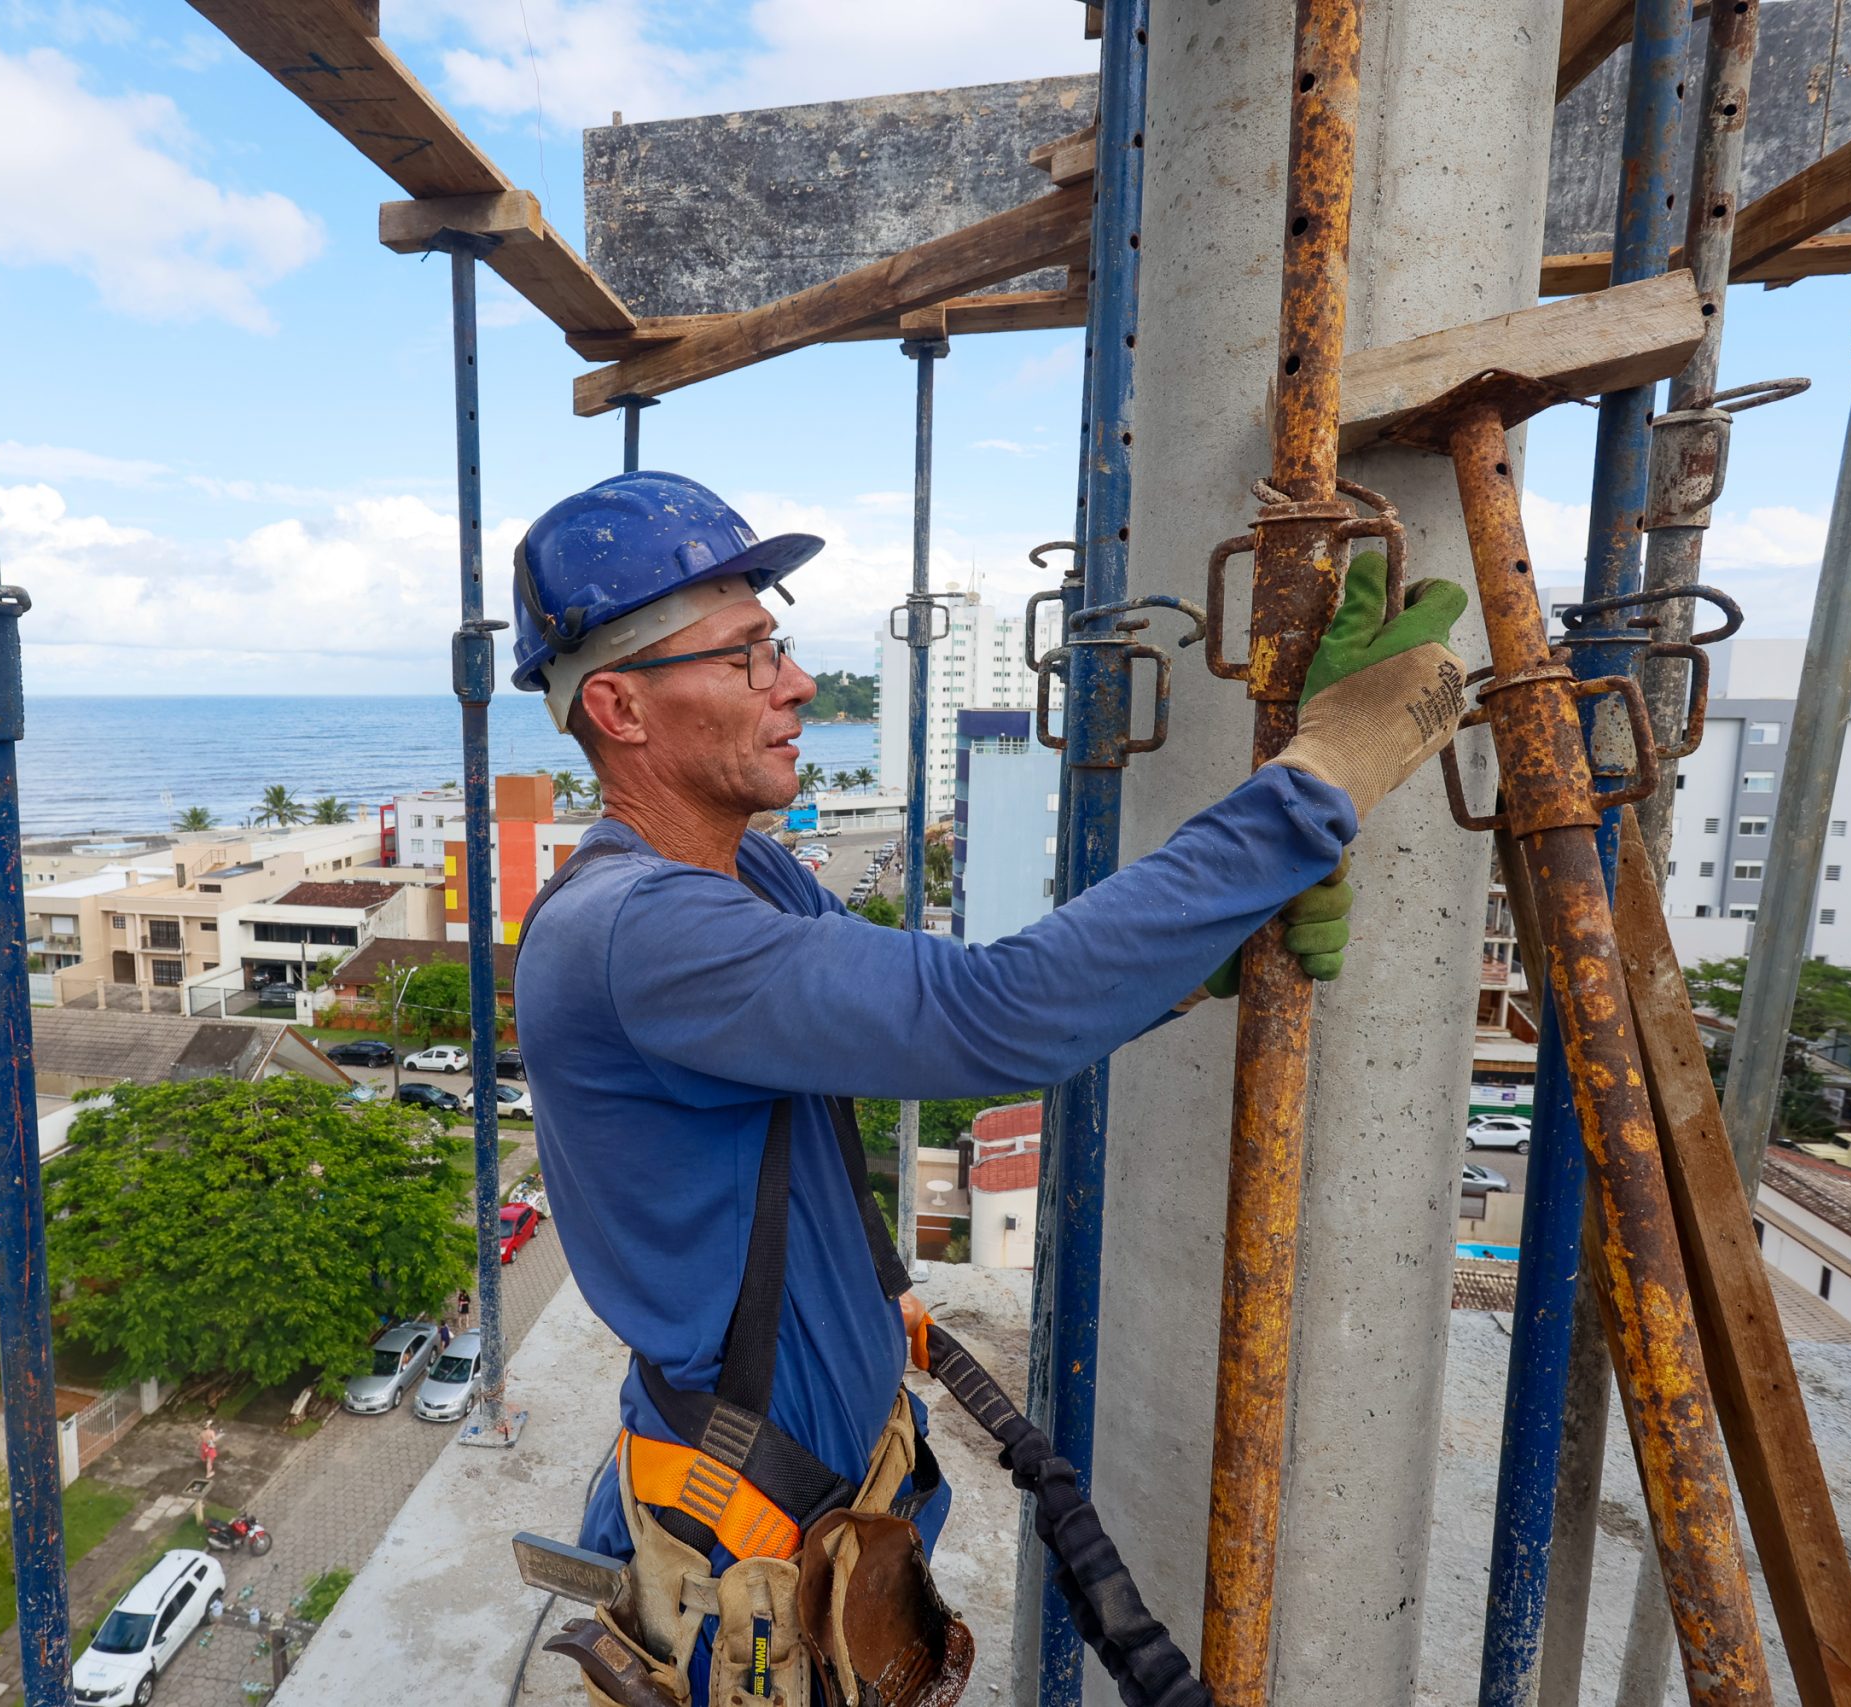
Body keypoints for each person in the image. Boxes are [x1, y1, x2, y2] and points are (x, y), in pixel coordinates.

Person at [508, 471, 1469, 1705]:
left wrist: (1188, 967)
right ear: (619, 707)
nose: (794, 682)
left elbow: (874, 1055)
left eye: (777, 642)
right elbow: (991, 1018)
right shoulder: (641, 932)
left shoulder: (743, 879)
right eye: (746, 656)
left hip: (811, 1469)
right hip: (739, 1513)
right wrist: (1320, 777)